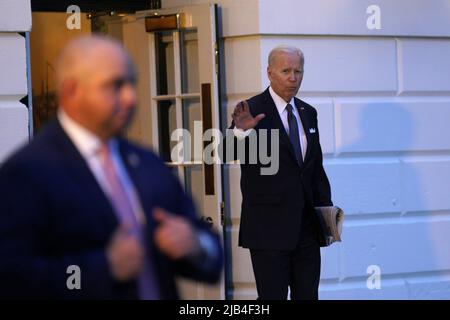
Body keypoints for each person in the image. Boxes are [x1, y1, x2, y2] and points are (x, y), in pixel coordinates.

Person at [0, 35, 222, 299]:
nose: (130, 97)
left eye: (131, 83)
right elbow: (13, 277)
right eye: (114, 85)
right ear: (72, 90)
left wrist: (196, 245)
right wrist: (102, 269)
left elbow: (212, 252)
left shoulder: (147, 162)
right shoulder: (28, 172)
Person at [225, 45, 332, 300]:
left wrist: (326, 213)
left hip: (306, 229)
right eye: (286, 71)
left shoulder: (308, 112)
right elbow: (226, 153)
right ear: (270, 73)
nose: (293, 78)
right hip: (267, 229)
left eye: (298, 71)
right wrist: (240, 132)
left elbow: (314, 167)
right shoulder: (250, 109)